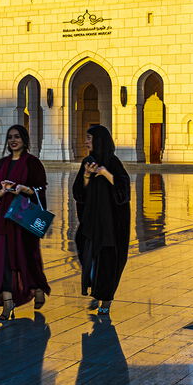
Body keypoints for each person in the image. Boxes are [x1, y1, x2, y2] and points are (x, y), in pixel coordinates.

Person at [0, 124, 50, 321]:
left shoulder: (32, 163)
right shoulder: (3, 163)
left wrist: (23, 189)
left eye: (17, 137)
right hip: (4, 217)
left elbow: (40, 189)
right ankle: (8, 302)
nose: (13, 140)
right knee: (3, 259)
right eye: (10, 137)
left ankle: (36, 287)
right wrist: (3, 191)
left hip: (23, 218)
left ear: (24, 140)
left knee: (25, 257)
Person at [72, 124, 131, 314]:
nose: (86, 142)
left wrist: (105, 173)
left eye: (89, 138)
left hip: (110, 225)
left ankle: (106, 300)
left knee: (107, 261)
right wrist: (87, 176)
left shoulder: (113, 163)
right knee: (89, 257)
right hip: (92, 223)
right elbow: (79, 193)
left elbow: (123, 191)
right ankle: (96, 292)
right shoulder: (87, 162)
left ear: (99, 141)